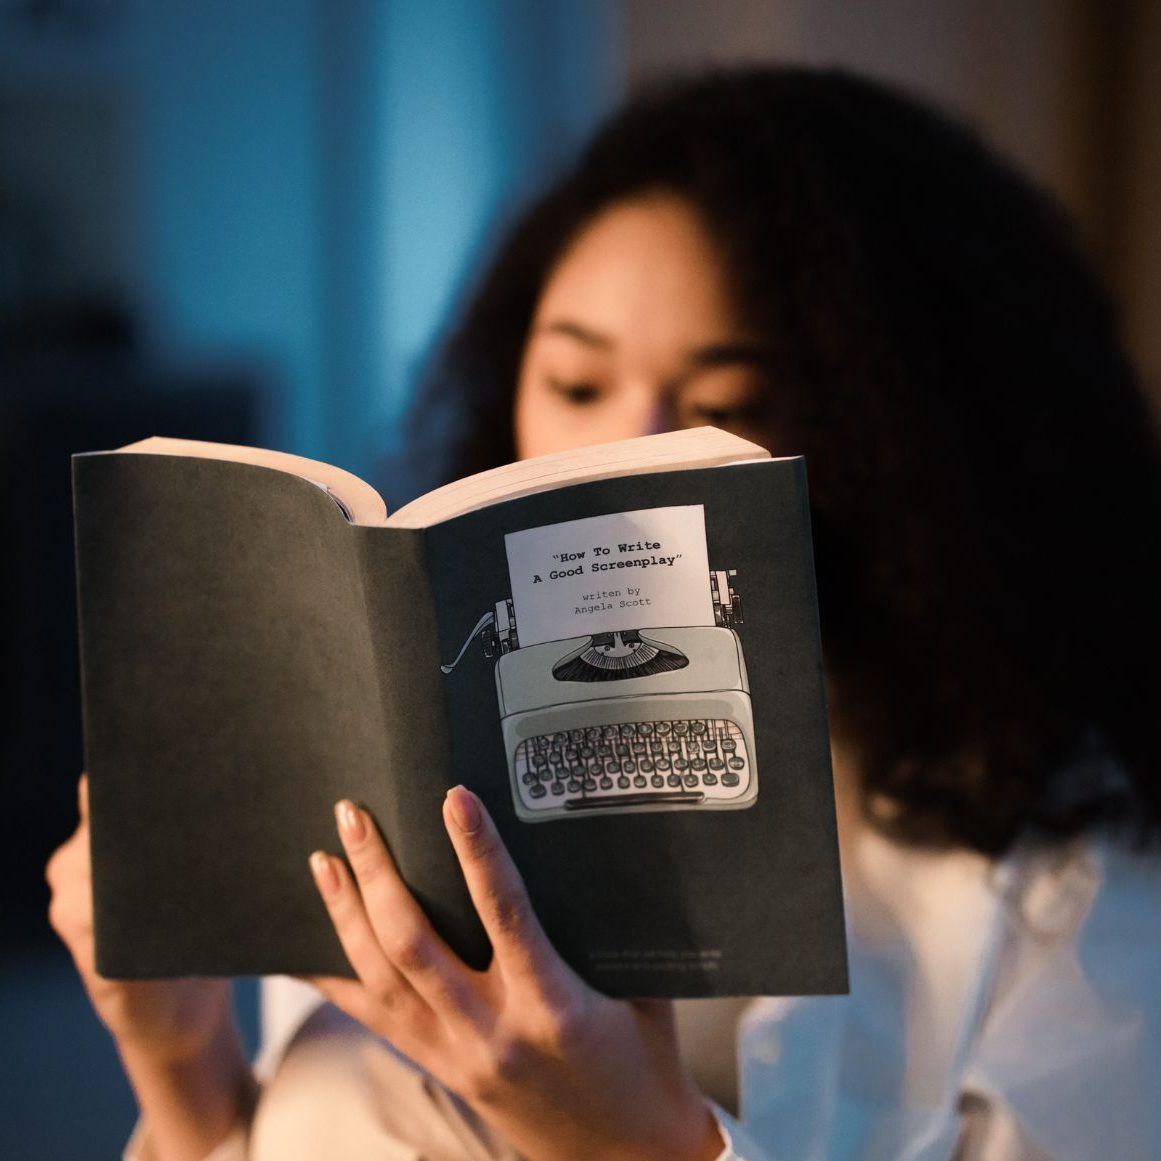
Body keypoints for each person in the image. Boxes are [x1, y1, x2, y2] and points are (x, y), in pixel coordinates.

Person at [47, 66, 1161, 1160]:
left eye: (728, 406)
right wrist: (184, 1068)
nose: (629, 456)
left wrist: (633, 1147)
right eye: (577, 385)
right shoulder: (414, 767)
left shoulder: (1066, 881)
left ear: (903, 438)